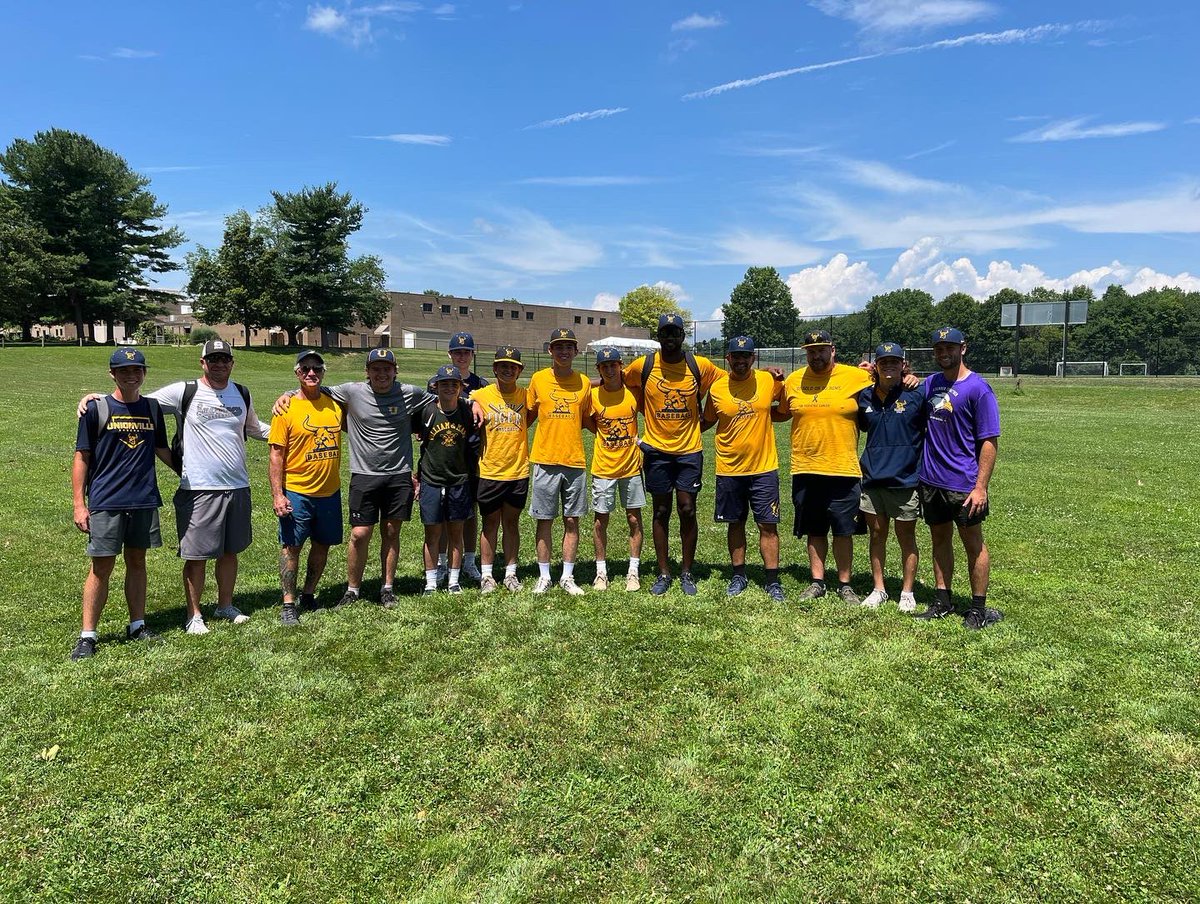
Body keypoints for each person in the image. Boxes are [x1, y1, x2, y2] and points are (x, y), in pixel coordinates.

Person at [78, 338, 271, 635]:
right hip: (199, 488)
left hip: (237, 485)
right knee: (196, 555)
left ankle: (225, 605)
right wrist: (96, 398)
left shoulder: (242, 394)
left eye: (224, 359)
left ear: (232, 363)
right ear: (202, 363)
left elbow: (255, 429)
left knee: (230, 551)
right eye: (213, 359)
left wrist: (290, 427)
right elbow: (134, 399)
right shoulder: (185, 391)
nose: (219, 364)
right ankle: (194, 615)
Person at [274, 348, 434, 609]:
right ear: (367, 372)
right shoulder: (351, 391)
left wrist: (471, 402)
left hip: (398, 474)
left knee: (392, 532)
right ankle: (352, 590)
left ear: (396, 370)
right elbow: (314, 387)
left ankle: (388, 588)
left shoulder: (410, 393)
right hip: (364, 475)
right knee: (360, 534)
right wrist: (288, 394)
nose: (381, 373)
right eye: (376, 369)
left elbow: (441, 399)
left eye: (387, 368)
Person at [70, 348, 174, 660]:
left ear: (144, 373)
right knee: (101, 566)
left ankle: (137, 624)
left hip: (143, 500)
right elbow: (82, 457)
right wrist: (79, 504)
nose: (131, 375)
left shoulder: (153, 409)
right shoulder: (96, 409)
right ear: (112, 374)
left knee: (138, 561)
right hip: (106, 500)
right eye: (124, 370)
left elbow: (161, 450)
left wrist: (189, 473)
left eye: (137, 370)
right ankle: (88, 635)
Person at [622, 313, 723, 596]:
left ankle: (686, 572)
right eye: (665, 334)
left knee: (687, 508)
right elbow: (620, 381)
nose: (670, 338)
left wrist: (705, 423)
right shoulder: (645, 365)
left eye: (675, 333)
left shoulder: (699, 365)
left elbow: (729, 384)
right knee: (661, 510)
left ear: (683, 336)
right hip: (656, 450)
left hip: (690, 450)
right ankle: (664, 572)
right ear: (659, 337)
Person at [914, 327, 1003, 629]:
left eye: (950, 348)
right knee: (939, 540)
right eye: (939, 349)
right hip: (931, 480)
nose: (944, 354)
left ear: (963, 348)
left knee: (973, 544)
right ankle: (942, 600)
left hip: (964, 485)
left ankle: (977, 608)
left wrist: (981, 487)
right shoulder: (930, 384)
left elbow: (989, 441)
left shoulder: (978, 388)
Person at [778, 329, 875, 605]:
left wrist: (884, 372)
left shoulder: (856, 376)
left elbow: (887, 382)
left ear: (832, 350)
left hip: (843, 468)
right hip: (806, 467)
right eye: (810, 351)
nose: (816, 356)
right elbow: (782, 411)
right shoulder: (794, 380)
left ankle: (845, 584)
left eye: (821, 350)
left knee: (844, 531)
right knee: (815, 528)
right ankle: (817, 581)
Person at [701, 336, 786, 602]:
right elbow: (705, 421)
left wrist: (778, 376)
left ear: (753, 358)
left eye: (745, 356)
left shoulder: (767, 380)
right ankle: (738, 575)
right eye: (735, 356)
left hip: (764, 468)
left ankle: (772, 581)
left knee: (768, 525)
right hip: (729, 469)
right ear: (728, 358)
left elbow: (784, 408)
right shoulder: (716, 389)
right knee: (735, 524)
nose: (740, 360)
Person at [269, 350, 344, 626]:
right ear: (297, 373)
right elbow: (276, 454)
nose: (311, 373)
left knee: (322, 544)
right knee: (291, 546)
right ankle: (288, 603)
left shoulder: (335, 405)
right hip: (297, 492)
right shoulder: (286, 408)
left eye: (316, 368)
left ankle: (309, 594)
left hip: (330, 492)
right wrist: (278, 494)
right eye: (305, 369)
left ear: (323, 372)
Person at [856, 342, 926, 612]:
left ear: (902, 365)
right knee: (877, 535)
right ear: (876, 366)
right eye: (883, 362)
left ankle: (907, 592)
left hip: (905, 479)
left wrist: (915, 380)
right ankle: (879, 589)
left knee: (906, 537)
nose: (889, 366)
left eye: (894, 362)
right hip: (873, 479)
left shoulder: (916, 394)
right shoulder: (864, 398)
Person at [526, 327, 592, 595]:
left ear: (576, 351)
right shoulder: (538, 379)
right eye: (559, 347)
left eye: (569, 347)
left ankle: (567, 576)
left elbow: (588, 418)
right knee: (544, 520)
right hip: (544, 460)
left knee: (572, 521)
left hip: (575, 461)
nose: (564, 352)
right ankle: (544, 576)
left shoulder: (584, 382)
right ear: (550, 350)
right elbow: (528, 416)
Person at [472, 346, 533, 594]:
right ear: (495, 369)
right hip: (489, 471)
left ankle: (510, 574)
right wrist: (472, 402)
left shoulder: (526, 396)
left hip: (518, 471)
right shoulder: (481, 395)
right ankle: (487, 575)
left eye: (513, 366)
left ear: (519, 371)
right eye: (503, 366)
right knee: (489, 523)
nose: (508, 370)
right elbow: (454, 394)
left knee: (511, 523)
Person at [429, 332, 489, 584]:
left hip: (472, 453)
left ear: (472, 355)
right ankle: (442, 562)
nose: (462, 356)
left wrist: (475, 400)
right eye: (457, 352)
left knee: (469, 511)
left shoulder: (482, 383)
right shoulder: (437, 380)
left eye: (466, 352)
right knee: (443, 514)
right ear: (450, 354)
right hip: (444, 454)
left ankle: (468, 559)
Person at [414, 365, 478, 595]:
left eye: (454, 383)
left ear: (461, 387)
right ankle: (431, 581)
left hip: (459, 480)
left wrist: (474, 402)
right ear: (436, 386)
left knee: (456, 533)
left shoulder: (467, 410)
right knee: (432, 533)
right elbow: (417, 436)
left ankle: (453, 580)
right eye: (444, 384)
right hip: (432, 479)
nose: (449, 388)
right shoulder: (426, 411)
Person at [587, 347, 644, 592]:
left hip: (631, 467)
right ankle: (601, 572)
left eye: (613, 365)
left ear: (620, 366)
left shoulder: (634, 393)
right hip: (603, 467)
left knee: (633, 518)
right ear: (599, 370)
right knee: (601, 520)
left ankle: (633, 571)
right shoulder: (592, 396)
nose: (610, 369)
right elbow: (590, 424)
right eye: (604, 366)